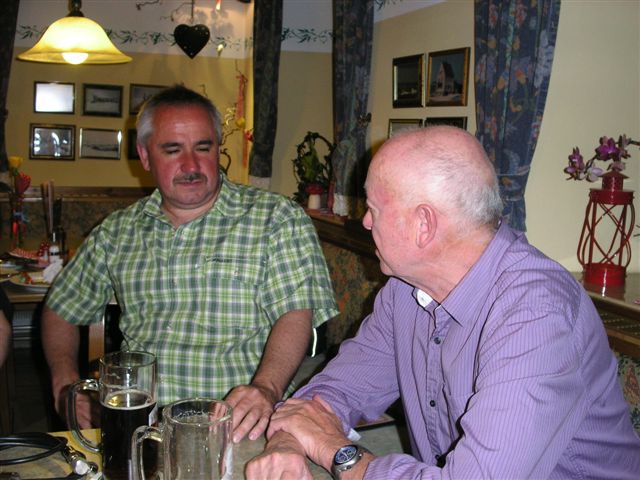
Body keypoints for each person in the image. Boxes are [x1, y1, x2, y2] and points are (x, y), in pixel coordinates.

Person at [246, 126, 640, 479]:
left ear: (424, 224)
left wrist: (334, 450)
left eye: (374, 209)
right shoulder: (405, 290)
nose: (365, 222)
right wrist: (288, 442)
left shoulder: (537, 314)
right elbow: (337, 389)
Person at [41, 85, 338, 443]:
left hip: (238, 428)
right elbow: (60, 309)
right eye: (172, 150)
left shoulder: (276, 218)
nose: (191, 166)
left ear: (218, 148)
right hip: (140, 429)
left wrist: (266, 387)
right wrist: (64, 380)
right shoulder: (117, 232)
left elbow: (296, 313)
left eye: (203, 147)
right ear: (145, 156)